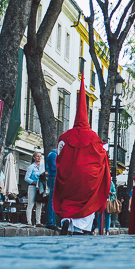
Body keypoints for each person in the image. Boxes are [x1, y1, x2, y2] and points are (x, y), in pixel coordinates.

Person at [53, 78, 112, 236]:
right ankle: (80, 228)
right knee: (87, 203)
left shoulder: (64, 137)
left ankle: (67, 221)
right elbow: (101, 156)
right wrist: (104, 149)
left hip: (69, 179)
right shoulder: (93, 137)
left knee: (69, 201)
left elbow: (58, 158)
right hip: (87, 181)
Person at [24, 151, 44, 226]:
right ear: (34, 157)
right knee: (31, 204)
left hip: (40, 187)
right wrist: (34, 182)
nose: (39, 158)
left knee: (39, 204)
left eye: (40, 156)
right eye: (37, 156)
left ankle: (38, 221)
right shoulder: (31, 167)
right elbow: (26, 178)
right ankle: (29, 221)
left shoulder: (42, 166)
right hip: (32, 186)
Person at [45, 147, 58, 229]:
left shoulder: (54, 154)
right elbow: (53, 167)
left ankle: (52, 221)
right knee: (52, 201)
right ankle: (50, 222)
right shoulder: (53, 154)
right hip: (53, 177)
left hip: (53, 178)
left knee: (53, 201)